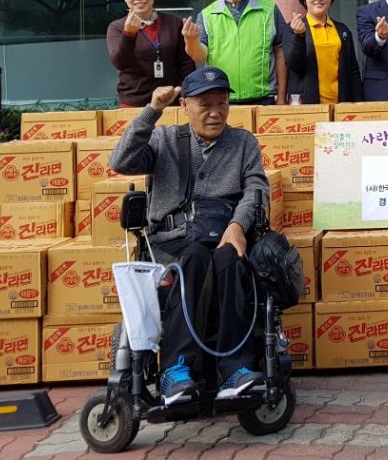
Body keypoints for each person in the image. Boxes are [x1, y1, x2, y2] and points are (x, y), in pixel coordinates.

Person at [109, 66, 269, 405]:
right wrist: (152, 111)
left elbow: (256, 188)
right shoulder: (165, 139)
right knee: (194, 258)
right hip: (173, 242)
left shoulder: (243, 143)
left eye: (222, 103)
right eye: (205, 105)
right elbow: (121, 161)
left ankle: (236, 369)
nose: (215, 113)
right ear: (186, 106)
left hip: (224, 234)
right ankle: (176, 370)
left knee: (231, 260)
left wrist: (238, 226)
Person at [183, 0, 288, 105]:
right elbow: (199, 55)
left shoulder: (269, 10)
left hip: (265, 98)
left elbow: (280, 53)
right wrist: (191, 41)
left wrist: (281, 96)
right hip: (221, 99)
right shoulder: (206, 15)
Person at [106, 0, 196, 107]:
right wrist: (129, 33)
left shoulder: (173, 23)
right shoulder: (117, 27)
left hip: (171, 101)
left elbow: (186, 64)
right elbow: (120, 63)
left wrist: (189, 95)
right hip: (134, 104)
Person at [285, 0, 363, 105]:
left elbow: (353, 70)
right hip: (307, 104)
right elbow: (294, 65)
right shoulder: (292, 28)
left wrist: (358, 102)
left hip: (341, 104)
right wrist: (300, 36)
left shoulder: (342, 30)